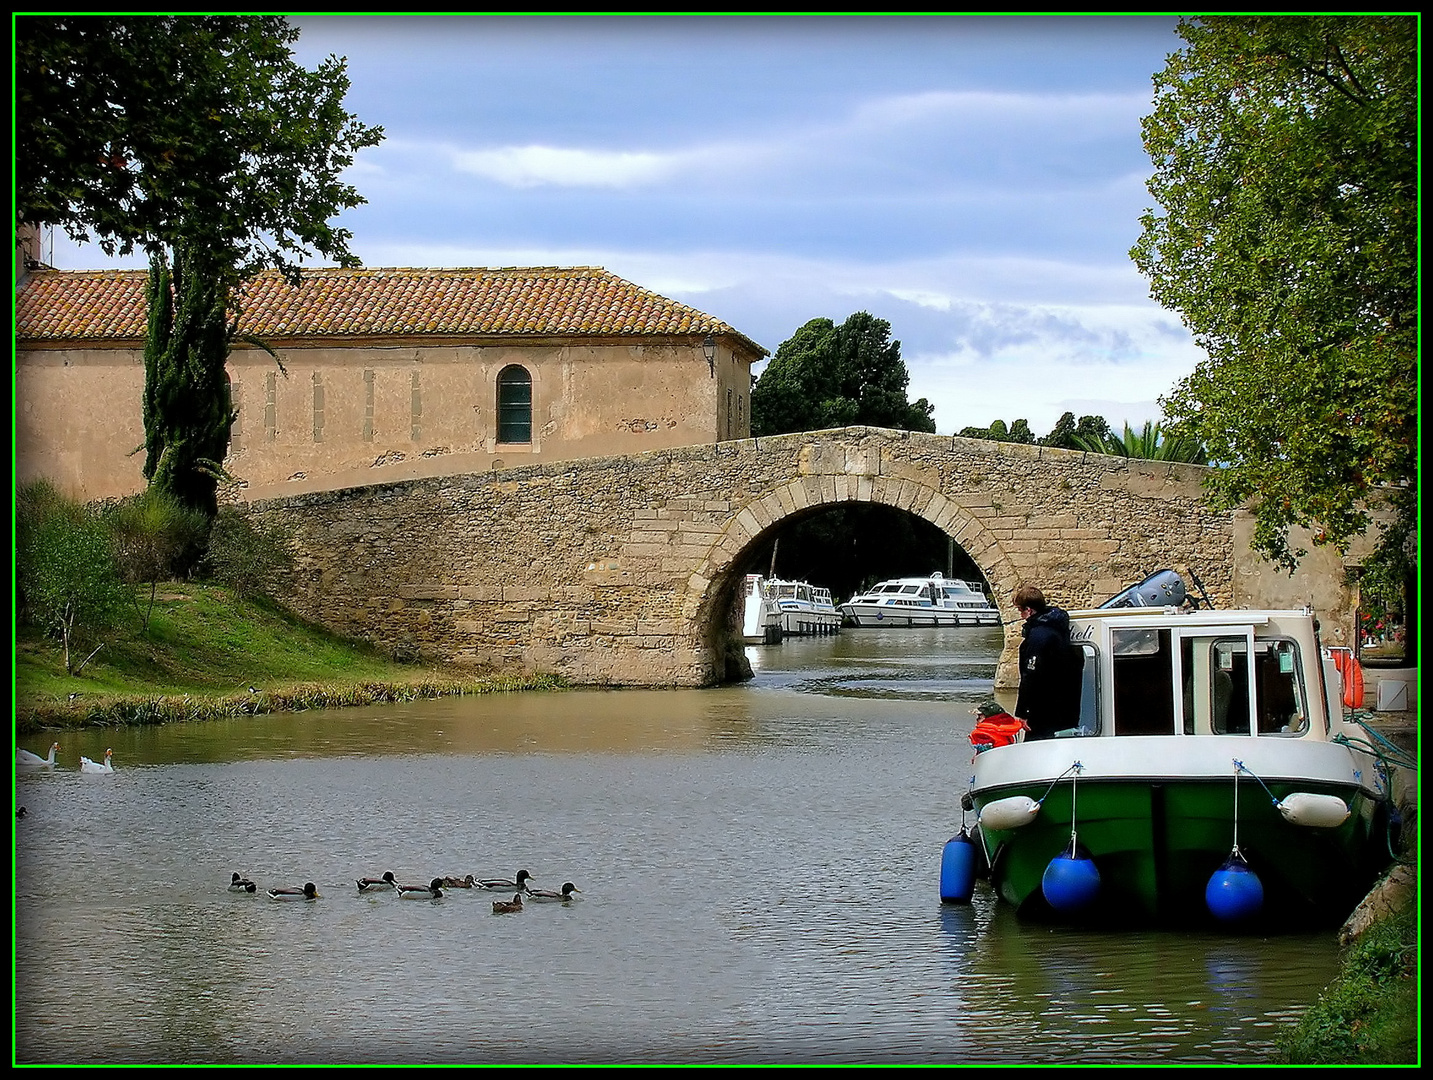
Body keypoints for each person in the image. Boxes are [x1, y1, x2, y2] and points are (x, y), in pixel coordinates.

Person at [1012, 584, 1083, 740]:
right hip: (1066, 705)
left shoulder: (1039, 636)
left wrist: (1023, 712)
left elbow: (1030, 675)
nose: (1020, 615)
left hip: (1043, 709)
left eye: (1020, 610)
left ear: (1028, 610)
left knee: (1035, 748)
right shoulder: (1058, 628)